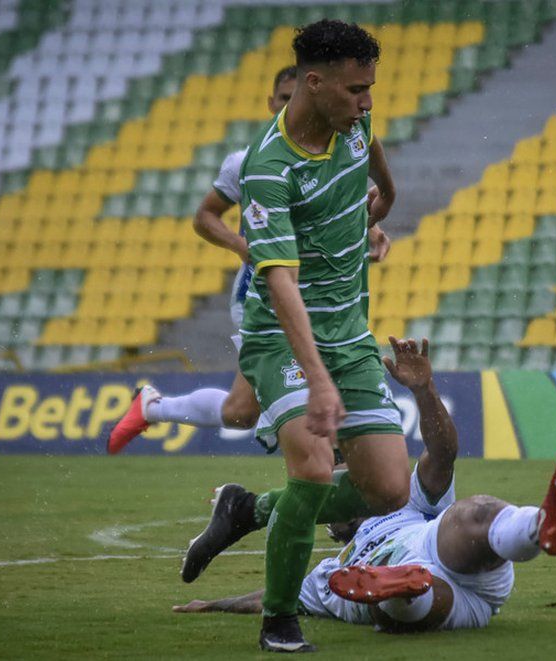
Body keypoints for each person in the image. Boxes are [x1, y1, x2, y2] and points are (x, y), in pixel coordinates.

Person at [211, 20, 410, 652]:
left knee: (390, 489)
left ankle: (248, 510)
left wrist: (383, 201)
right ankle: (279, 620)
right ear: (313, 82)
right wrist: (320, 383)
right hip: (281, 338)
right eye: (356, 90)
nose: (367, 103)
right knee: (317, 470)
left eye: (370, 88)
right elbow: (281, 285)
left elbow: (374, 155)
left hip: (350, 335)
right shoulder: (268, 169)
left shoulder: (354, 124)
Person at [173, 337, 556, 633]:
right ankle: (400, 584)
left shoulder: (407, 502)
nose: (336, 491)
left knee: (471, 514)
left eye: (342, 478)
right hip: (443, 600)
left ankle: (541, 525)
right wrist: (213, 605)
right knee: (402, 604)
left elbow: (443, 453)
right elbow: (268, 596)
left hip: (450, 555)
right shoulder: (326, 572)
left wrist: (424, 391)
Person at [106, 64, 391, 454]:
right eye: (285, 98)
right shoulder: (249, 161)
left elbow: (332, 207)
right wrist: (243, 247)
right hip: (265, 295)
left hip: (320, 293)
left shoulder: (333, 146)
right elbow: (205, 217)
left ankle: (153, 407)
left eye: (297, 97)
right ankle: (305, 453)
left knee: (240, 412)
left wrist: (368, 229)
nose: (292, 104)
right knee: (300, 412)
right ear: (271, 103)